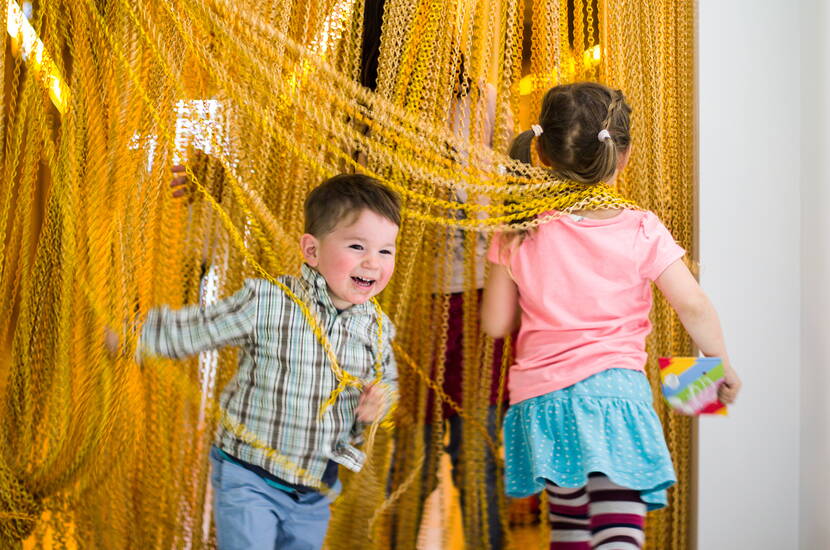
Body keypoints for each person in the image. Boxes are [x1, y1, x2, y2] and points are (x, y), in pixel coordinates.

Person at [481, 82, 741, 550]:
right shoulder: (640, 227)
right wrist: (718, 362)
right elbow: (693, 304)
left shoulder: (517, 229)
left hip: (541, 404)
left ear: (541, 152)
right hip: (613, 398)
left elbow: (496, 323)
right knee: (617, 533)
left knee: (570, 532)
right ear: (623, 155)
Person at [113, 173, 401, 550]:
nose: (372, 263)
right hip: (249, 476)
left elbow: (388, 385)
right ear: (312, 251)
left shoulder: (377, 330)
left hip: (314, 491)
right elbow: (200, 328)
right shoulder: (269, 301)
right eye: (357, 246)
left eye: (385, 251)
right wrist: (134, 336)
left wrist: (378, 403)